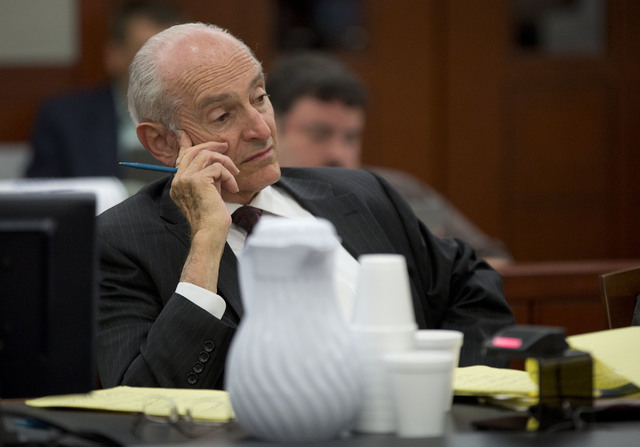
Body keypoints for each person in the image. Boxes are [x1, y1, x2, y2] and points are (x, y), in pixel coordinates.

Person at [97, 22, 514, 390]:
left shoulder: (361, 193)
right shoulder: (119, 244)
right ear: (161, 142)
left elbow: (471, 284)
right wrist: (206, 241)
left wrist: (450, 393)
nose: (261, 128)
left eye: (259, 97)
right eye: (223, 116)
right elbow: (144, 400)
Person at [267, 52, 513, 268]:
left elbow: (494, 262)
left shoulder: (397, 191)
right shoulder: (258, 203)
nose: (339, 153)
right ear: (272, 128)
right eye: (320, 134)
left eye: (351, 137)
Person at [25, 0, 184, 186]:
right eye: (147, 54)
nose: (161, 68)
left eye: (172, 55)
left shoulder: (205, 118)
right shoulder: (64, 120)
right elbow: (41, 196)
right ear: (113, 55)